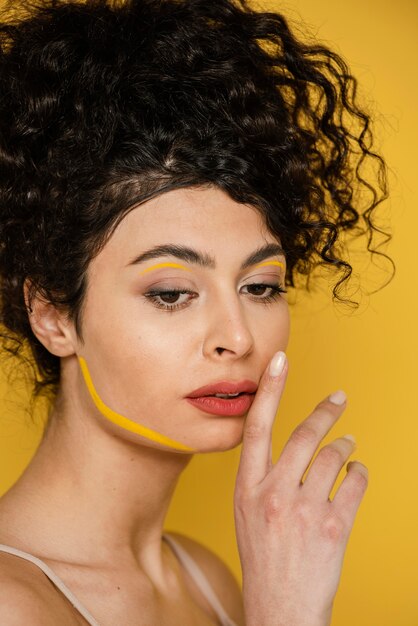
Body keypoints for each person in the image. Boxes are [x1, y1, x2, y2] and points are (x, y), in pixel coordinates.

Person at [0, 0, 392, 624]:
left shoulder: (206, 578)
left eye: (261, 286)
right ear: (53, 315)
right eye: (171, 293)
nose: (236, 337)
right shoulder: (13, 602)